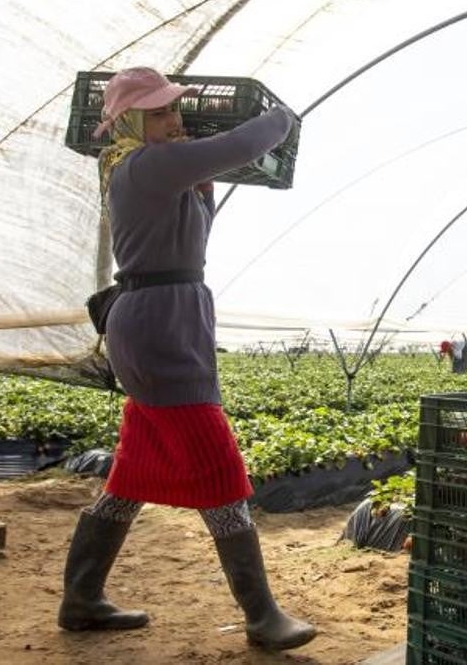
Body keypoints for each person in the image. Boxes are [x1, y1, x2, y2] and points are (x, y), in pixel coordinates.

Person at [58, 67, 314, 651]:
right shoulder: (143, 166)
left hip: (167, 317)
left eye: (175, 110)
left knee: (130, 473)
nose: (173, 121)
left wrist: (203, 182)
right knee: (218, 468)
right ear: (128, 121)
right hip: (159, 328)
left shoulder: (157, 169)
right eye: (159, 113)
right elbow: (243, 144)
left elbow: (203, 192)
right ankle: (262, 614)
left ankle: (82, 597)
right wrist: (281, 119)